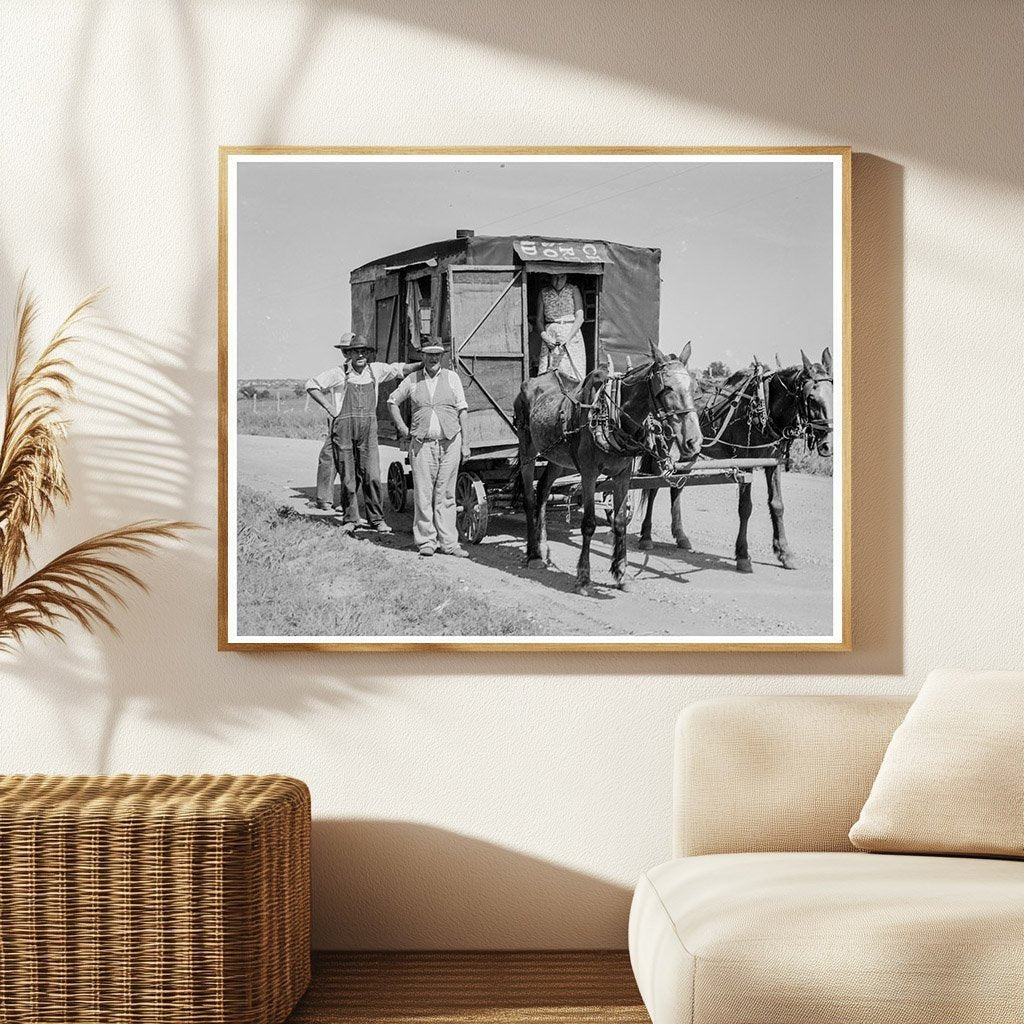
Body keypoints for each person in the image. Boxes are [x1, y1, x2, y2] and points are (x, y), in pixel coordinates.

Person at [305, 333, 421, 533]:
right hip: (344, 430)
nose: (360, 355)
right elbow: (311, 385)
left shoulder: (376, 371)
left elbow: (401, 369)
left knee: (372, 475)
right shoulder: (339, 373)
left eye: (363, 351)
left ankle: (376, 520)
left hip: (368, 430)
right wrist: (329, 407)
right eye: (355, 351)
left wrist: (424, 363)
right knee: (348, 477)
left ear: (368, 354)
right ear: (349, 354)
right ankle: (351, 519)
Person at [387, 341, 471, 558]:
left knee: (446, 493)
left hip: (450, 442)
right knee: (424, 493)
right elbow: (392, 401)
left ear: (442, 356)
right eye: (429, 355)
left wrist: (466, 443)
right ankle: (426, 541)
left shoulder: (452, 378)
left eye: (437, 355)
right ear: (422, 356)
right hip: (422, 444)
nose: (434, 359)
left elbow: (463, 411)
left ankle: (449, 543)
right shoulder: (413, 379)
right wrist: (403, 428)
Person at [535, 273, 585, 379]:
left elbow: (580, 317)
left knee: (573, 373)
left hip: (571, 334)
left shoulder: (573, 290)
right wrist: (545, 338)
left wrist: (568, 338)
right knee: (550, 373)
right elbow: (539, 320)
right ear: (550, 277)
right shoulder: (544, 293)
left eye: (562, 277)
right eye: (555, 277)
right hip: (551, 336)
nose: (558, 281)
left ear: (566, 277)